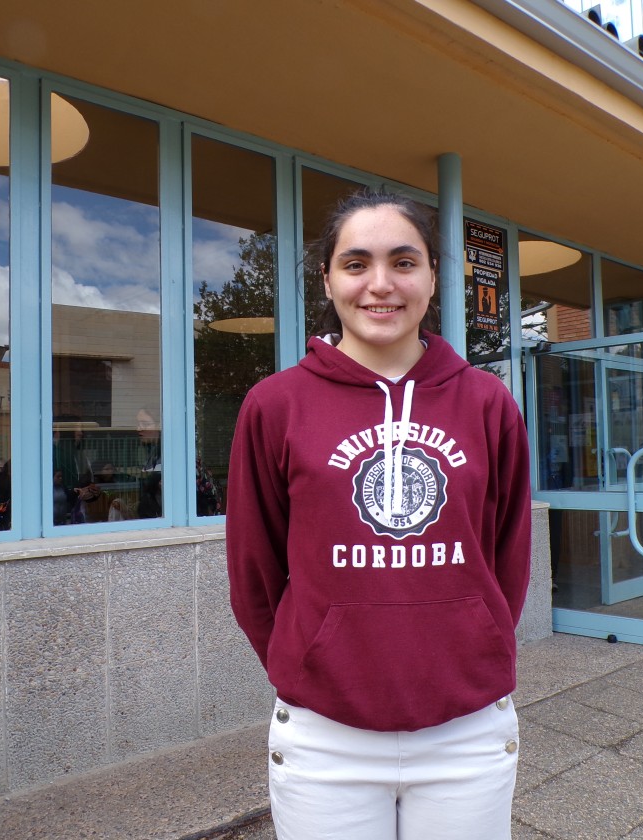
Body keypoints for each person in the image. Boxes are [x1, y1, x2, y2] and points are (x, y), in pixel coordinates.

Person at [226, 189, 532, 840]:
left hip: (467, 728)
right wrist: (306, 658)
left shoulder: (488, 403)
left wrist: (479, 639)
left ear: (431, 277)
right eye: (357, 263)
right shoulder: (275, 405)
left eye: (404, 261)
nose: (381, 284)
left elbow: (507, 557)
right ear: (328, 279)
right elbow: (254, 574)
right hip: (324, 736)